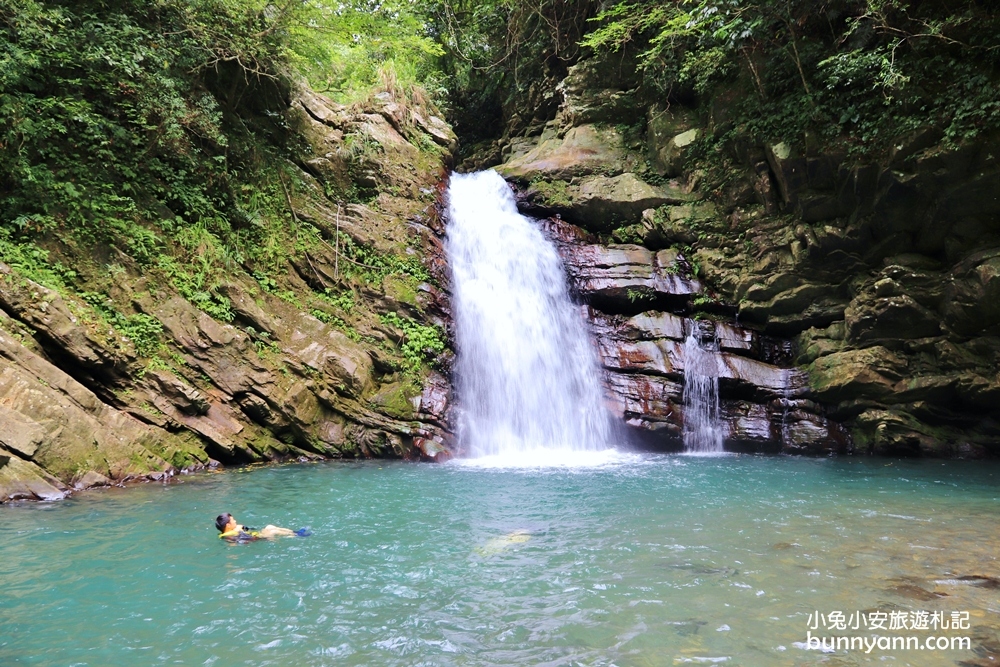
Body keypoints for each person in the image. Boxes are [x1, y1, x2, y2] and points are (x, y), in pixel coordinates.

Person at [215, 513, 311, 542]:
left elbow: (249, 530)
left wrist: (243, 528)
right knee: (273, 531)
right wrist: (240, 531)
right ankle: (297, 536)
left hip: (257, 534)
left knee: (270, 526)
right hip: (257, 539)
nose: (235, 521)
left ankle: (296, 532)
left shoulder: (234, 529)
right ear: (228, 525)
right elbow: (244, 541)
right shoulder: (227, 537)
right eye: (233, 520)